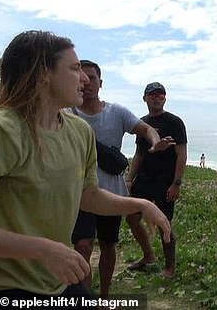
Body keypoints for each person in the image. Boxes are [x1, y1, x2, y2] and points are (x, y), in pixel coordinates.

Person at [0, 31, 170, 306]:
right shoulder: (2, 131)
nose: (85, 79)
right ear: (43, 74)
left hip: (57, 282)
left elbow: (88, 195)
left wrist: (140, 204)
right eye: (75, 69)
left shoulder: (79, 132)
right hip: (6, 287)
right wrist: (42, 250)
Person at [69, 60, 175, 297]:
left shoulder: (116, 112)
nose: (86, 83)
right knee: (83, 246)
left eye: (92, 78)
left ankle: (104, 295)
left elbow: (146, 129)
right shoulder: (67, 112)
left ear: (100, 82)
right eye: (81, 77)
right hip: (78, 193)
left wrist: (156, 142)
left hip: (110, 192)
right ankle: (85, 297)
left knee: (108, 244)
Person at [125, 82, 187, 278]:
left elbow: (181, 155)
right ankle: (148, 256)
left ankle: (169, 268)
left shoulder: (175, 122)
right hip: (144, 179)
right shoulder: (142, 123)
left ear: (165, 98)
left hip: (165, 181)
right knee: (132, 218)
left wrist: (176, 183)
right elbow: (139, 154)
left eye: (160, 94)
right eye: (152, 94)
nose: (156, 97)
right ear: (145, 98)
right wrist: (129, 179)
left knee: (164, 224)